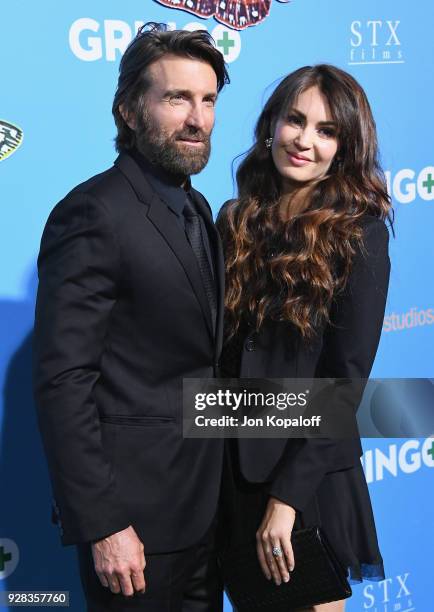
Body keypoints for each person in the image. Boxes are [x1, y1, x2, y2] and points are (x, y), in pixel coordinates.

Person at [33, 23, 229, 611]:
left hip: (206, 515)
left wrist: (336, 414)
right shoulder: (92, 212)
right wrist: (104, 524)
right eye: (176, 99)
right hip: (134, 532)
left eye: (208, 100)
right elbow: (63, 381)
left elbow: (199, 367)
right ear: (129, 110)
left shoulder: (197, 207)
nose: (196, 118)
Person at [217, 64, 392, 611]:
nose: (304, 140)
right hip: (230, 468)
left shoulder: (359, 232)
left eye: (326, 130)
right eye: (295, 120)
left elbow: (346, 381)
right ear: (272, 124)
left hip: (306, 479)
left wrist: (288, 499)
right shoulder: (235, 218)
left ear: (345, 147)